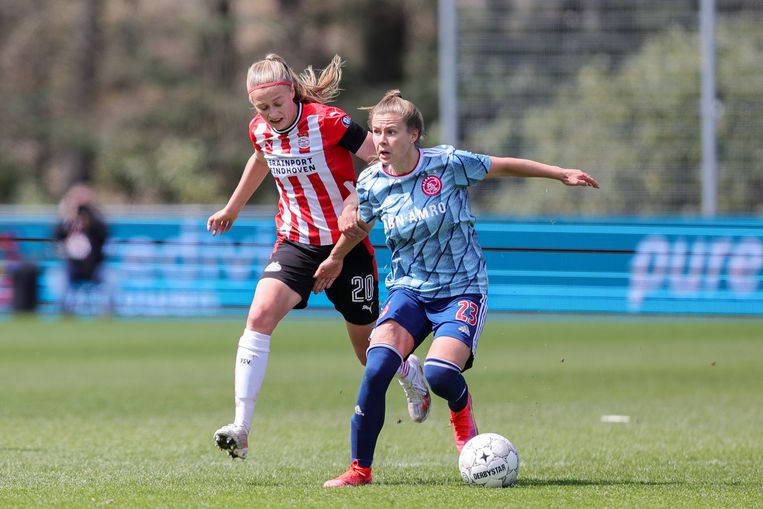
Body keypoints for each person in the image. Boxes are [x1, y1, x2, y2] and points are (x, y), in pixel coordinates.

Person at [317, 90, 599, 487]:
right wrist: (336, 256)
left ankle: (462, 416)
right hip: (408, 291)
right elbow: (361, 223)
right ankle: (360, 470)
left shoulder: (447, 163)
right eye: (377, 132)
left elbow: (503, 166)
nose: (380, 141)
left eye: (391, 132)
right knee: (377, 367)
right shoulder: (371, 182)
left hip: (461, 289)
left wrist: (559, 173)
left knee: (440, 373)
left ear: (414, 134)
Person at [206, 55, 431, 460]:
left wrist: (352, 205)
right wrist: (232, 207)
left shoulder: (328, 121)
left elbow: (376, 161)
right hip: (295, 242)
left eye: (277, 103)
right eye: (262, 108)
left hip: (348, 243)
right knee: (258, 318)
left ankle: (409, 370)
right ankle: (241, 427)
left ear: (291, 91)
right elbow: (260, 158)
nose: (271, 114)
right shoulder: (259, 130)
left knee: (369, 352)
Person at [54, 184, 109, 314]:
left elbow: (103, 235)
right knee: (58, 277)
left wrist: (91, 214)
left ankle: (105, 313)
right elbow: (57, 234)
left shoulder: (96, 220)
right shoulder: (68, 221)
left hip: (95, 267)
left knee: (111, 278)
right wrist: (67, 214)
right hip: (72, 267)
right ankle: (66, 311)